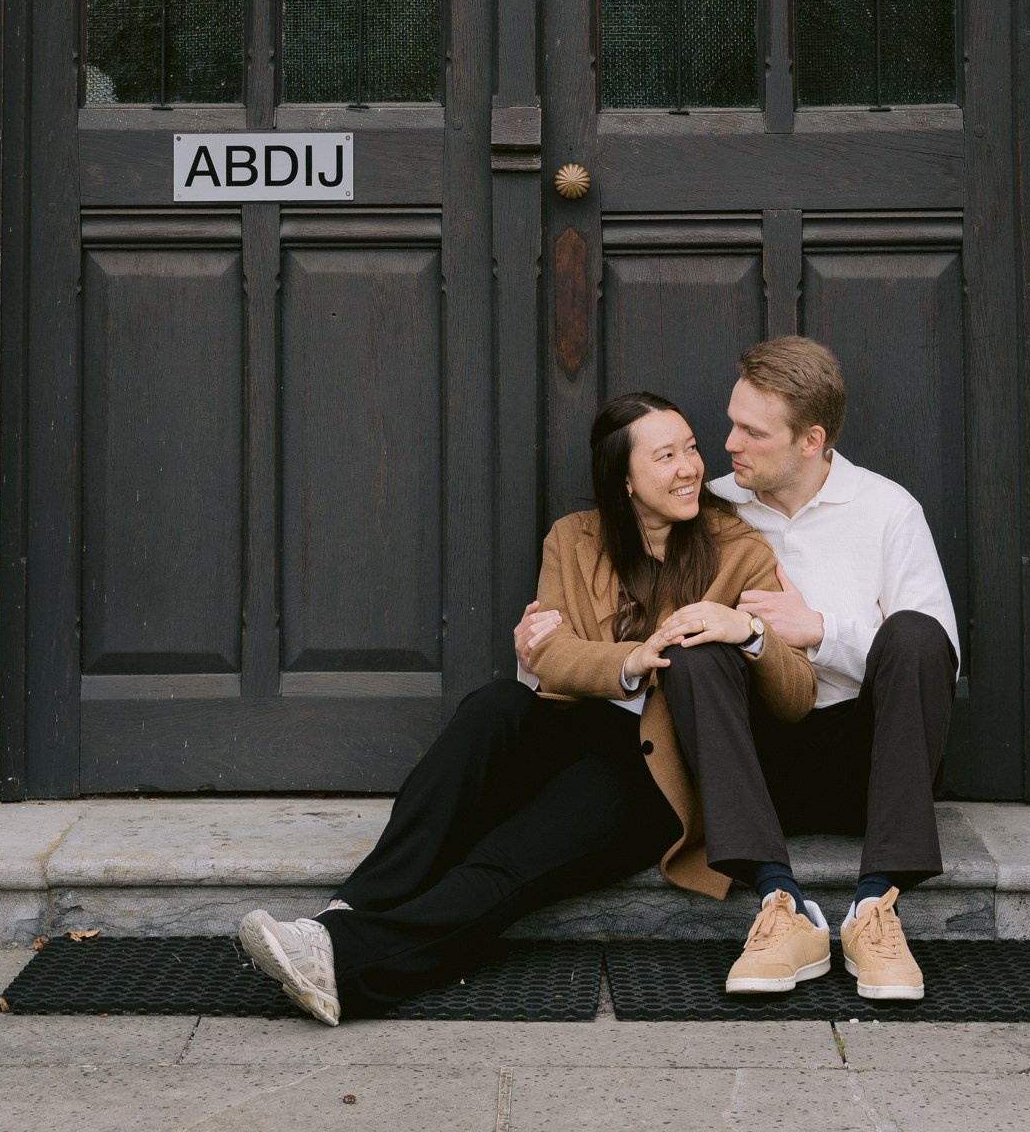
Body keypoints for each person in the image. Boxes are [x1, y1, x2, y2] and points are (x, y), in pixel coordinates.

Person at [237, 391, 827, 1023]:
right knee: (493, 706)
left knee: (508, 860)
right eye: (665, 456)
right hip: (579, 727)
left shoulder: (739, 550)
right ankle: (344, 912)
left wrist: (750, 633)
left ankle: (348, 967)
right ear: (623, 479)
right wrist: (631, 660)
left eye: (691, 449)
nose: (689, 468)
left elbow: (796, 697)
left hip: (658, 770)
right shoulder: (572, 539)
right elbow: (548, 651)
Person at [518, 336, 959, 1003]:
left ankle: (876, 907)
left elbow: (938, 659)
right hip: (747, 762)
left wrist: (821, 631)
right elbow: (635, 609)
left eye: (751, 432)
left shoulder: (887, 510)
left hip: (869, 765)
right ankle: (780, 904)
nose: (727, 444)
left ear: (809, 441)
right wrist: (542, 648)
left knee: (916, 631)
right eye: (729, 424)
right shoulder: (708, 506)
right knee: (694, 642)